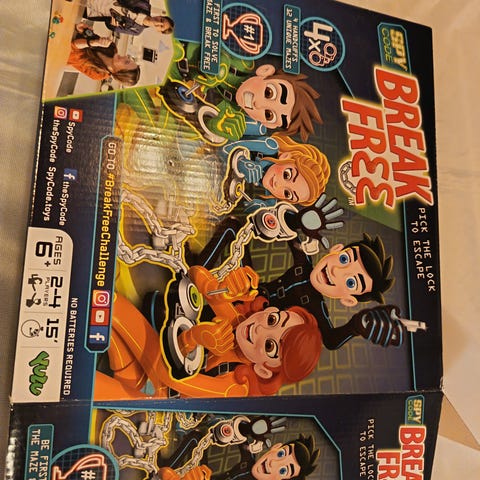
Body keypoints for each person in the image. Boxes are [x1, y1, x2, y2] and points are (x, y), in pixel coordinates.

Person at [94, 266, 322, 400]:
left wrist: (195, 337)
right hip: (147, 370)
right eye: (273, 320)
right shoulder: (236, 323)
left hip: (156, 396)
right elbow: (194, 274)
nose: (260, 328)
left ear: (264, 370)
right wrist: (218, 289)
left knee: (109, 308)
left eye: (270, 345)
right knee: (106, 306)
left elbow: (171, 377)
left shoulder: (235, 387)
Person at [215, 133, 330, 214]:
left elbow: (269, 204)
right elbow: (225, 147)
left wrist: (260, 207)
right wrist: (241, 162)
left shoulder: (272, 193)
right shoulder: (268, 147)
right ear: (286, 157)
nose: (277, 185)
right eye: (286, 175)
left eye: (287, 194)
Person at [157, 434, 319, 480]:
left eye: (283, 470)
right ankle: (163, 465)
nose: (272, 463)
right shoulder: (249, 459)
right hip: (207, 475)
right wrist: (251, 436)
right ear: (276, 447)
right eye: (281, 454)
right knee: (196, 438)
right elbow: (244, 436)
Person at [68, 23, 140, 85]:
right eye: (128, 58)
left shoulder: (98, 75)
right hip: (68, 34)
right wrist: (84, 30)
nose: (125, 57)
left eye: (126, 62)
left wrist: (94, 43)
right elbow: (87, 36)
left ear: (118, 72)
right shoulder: (112, 47)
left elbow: (71, 50)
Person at [85, 0, 175, 36]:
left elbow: (112, 27)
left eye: (161, 26)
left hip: (91, 12)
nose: (158, 22)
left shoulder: (137, 31)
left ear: (159, 31)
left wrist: (113, 25)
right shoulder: (145, 5)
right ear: (160, 16)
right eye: (161, 20)